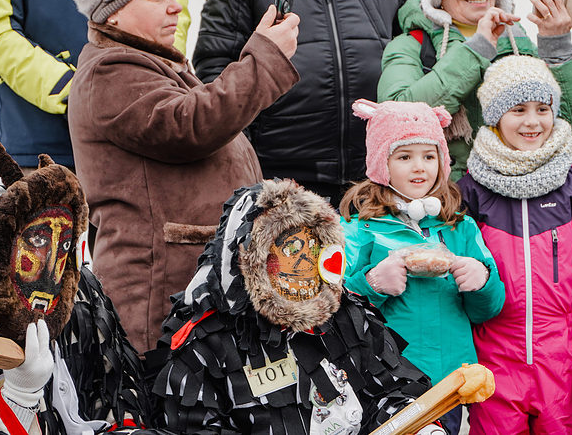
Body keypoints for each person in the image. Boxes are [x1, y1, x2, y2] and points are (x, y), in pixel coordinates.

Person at [67, 0, 300, 356]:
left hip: (193, 289)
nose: (175, 7)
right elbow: (191, 125)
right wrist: (264, 59)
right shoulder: (109, 71)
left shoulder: (153, 64)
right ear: (112, 11)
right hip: (159, 299)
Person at [151, 179, 488, 433]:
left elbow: (389, 392)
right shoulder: (207, 345)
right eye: (290, 247)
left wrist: (416, 425)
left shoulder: (347, 317)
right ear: (251, 257)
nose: (305, 261)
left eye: (315, 247)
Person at [0, 138, 151, 433]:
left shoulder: (78, 298)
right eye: (38, 240)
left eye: (64, 244)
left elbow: (118, 395)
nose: (52, 268)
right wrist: (18, 397)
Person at [456, 55, 572, 434]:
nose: (533, 121)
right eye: (518, 109)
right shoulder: (472, 191)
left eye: (543, 109)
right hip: (492, 361)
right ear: (495, 116)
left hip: (558, 360)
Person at [338, 98, 506, 432]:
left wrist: (482, 281)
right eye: (404, 157)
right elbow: (335, 306)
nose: (420, 167)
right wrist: (371, 284)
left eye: (429, 156)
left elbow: (488, 309)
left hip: (449, 381)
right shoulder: (357, 229)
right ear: (381, 164)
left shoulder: (460, 226)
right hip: (384, 381)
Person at [192, 0, 415, 207]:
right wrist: (245, 155)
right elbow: (216, 63)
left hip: (380, 177)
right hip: (282, 181)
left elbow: (418, 46)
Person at [378, 0, 572, 181]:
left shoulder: (521, 45)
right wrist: (476, 50)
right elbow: (395, 122)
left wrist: (556, 46)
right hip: (448, 206)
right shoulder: (412, 45)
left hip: (518, 205)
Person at [0, 0, 190, 169]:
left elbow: (170, 20)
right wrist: (78, 93)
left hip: (136, 138)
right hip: (43, 152)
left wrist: (143, 85)